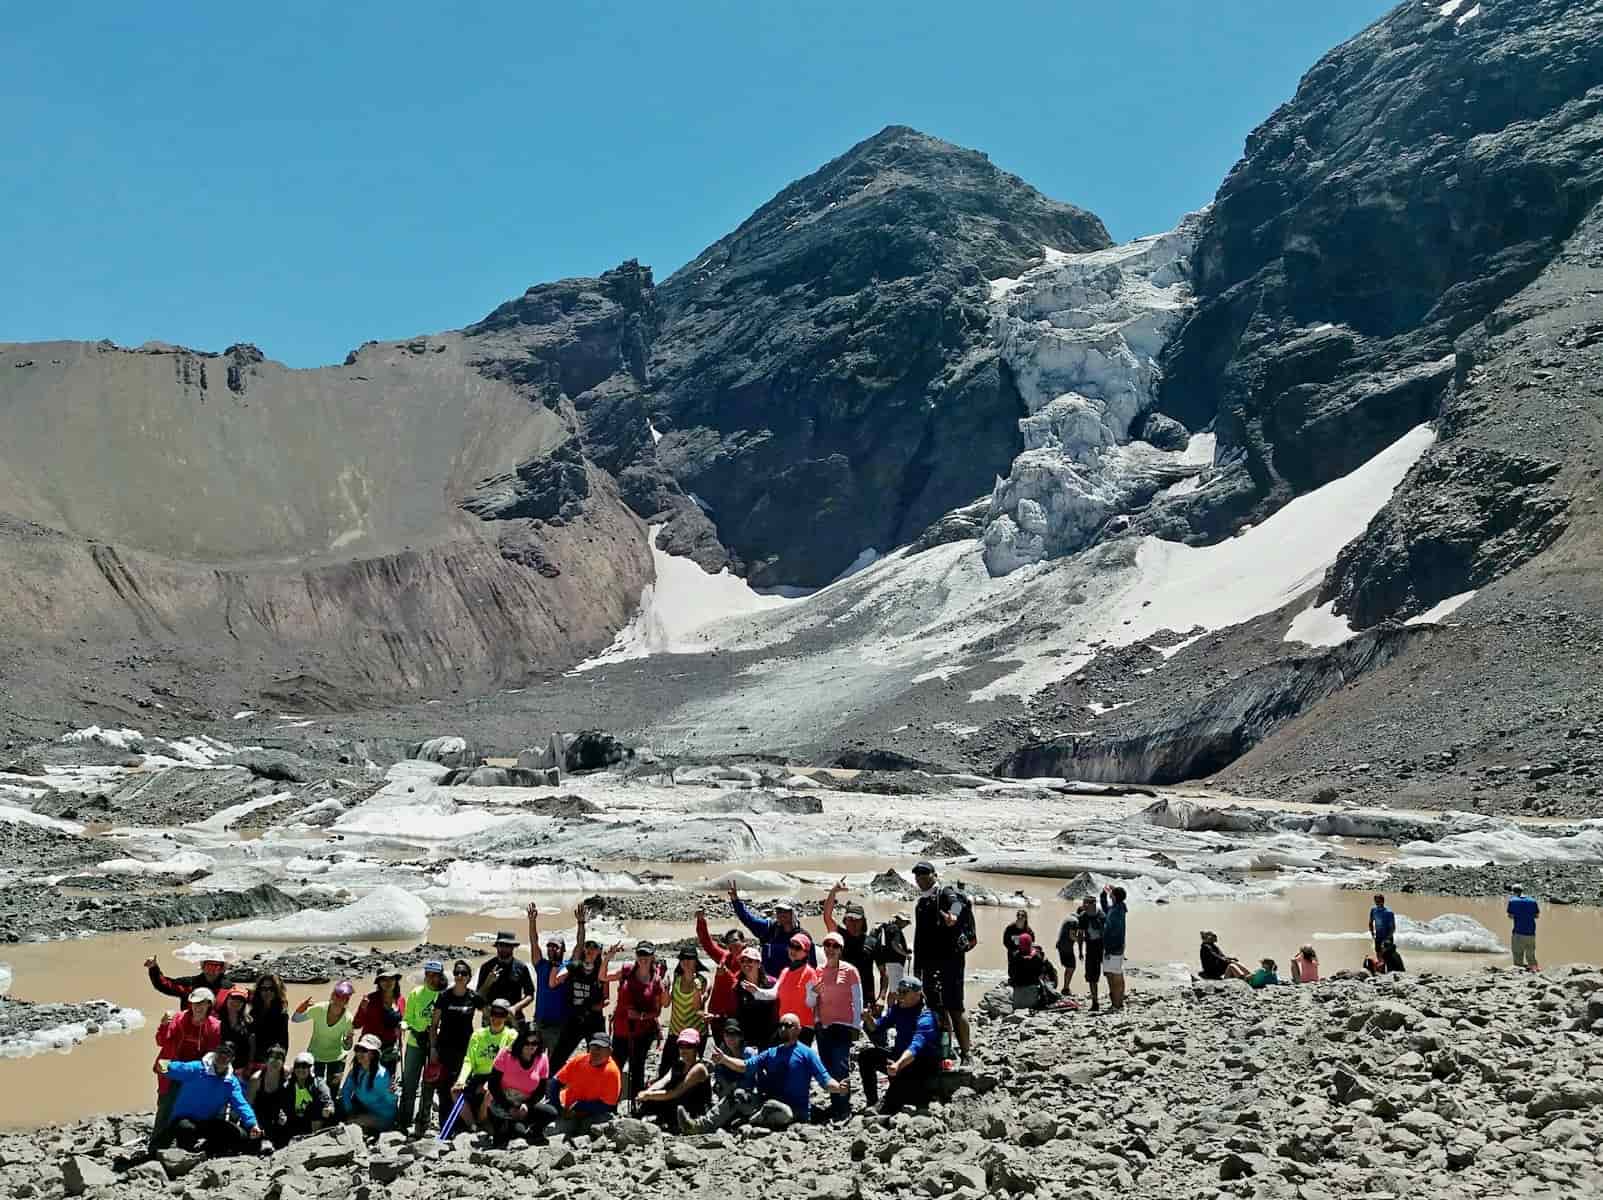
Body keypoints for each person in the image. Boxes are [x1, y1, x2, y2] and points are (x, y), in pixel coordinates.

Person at [682, 1012, 845, 1132]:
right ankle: (699, 1126)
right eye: (780, 1025)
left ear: (798, 1029)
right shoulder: (771, 1052)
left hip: (794, 1111)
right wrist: (724, 1059)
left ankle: (751, 1120)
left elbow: (825, 1080)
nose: (783, 1028)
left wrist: (839, 1088)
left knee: (779, 1110)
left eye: (787, 1025)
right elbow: (746, 1065)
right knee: (738, 1094)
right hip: (765, 1103)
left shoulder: (807, 1053)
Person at [150, 1044, 263, 1157]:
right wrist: (162, 1065)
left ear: (232, 1059)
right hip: (183, 1120)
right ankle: (186, 1155)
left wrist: (252, 1123)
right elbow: (175, 1067)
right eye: (220, 1054)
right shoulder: (196, 1069)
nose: (222, 1058)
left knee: (240, 1135)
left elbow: (241, 1104)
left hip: (207, 1122)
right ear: (214, 1054)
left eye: (227, 1055)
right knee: (186, 1128)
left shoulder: (231, 1082)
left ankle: (206, 1150)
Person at [911, 861, 972, 1063]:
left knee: (956, 1008)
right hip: (929, 965)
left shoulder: (944, 893)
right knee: (937, 1010)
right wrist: (917, 968)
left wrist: (953, 915)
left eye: (924, 875)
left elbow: (957, 903)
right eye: (917, 876)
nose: (920, 879)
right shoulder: (921, 904)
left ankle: (966, 1053)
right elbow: (919, 938)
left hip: (951, 962)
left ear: (934, 875)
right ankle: (947, 1049)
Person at [859, 975, 942, 1115]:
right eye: (899, 991)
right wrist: (868, 1018)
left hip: (920, 1064)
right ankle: (872, 1100)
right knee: (866, 1056)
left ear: (917, 995)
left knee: (904, 1072)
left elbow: (915, 1047)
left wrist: (898, 1065)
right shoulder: (899, 1009)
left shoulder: (926, 1017)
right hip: (900, 1057)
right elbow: (877, 1027)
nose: (899, 995)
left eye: (904, 992)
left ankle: (888, 1103)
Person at [606, 941, 668, 1104]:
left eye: (647, 955)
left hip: (642, 1032)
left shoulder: (656, 980)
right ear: (636, 955)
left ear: (652, 956)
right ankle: (611, 1099)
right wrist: (607, 958)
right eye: (640, 954)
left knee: (637, 1067)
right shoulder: (626, 971)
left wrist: (640, 1016)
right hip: (620, 1029)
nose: (643, 958)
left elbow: (658, 1011)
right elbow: (602, 976)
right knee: (616, 1065)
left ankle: (636, 1102)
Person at [811, 930, 863, 1121]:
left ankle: (843, 1107)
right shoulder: (818, 971)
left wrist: (857, 1026)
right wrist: (816, 1021)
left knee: (840, 1066)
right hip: (823, 1026)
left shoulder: (850, 971)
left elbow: (858, 999)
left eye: (835, 946)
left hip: (843, 1025)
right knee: (827, 1066)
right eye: (827, 945)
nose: (830, 949)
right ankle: (836, 1105)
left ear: (841, 949)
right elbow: (814, 999)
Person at [428, 960, 483, 1134]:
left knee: (462, 1087)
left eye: (463, 973)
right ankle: (446, 1126)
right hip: (444, 1049)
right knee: (444, 1089)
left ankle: (460, 1123)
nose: (459, 976)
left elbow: (492, 1017)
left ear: (469, 977)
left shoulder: (474, 997)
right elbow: (434, 1024)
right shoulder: (444, 996)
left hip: (466, 1052)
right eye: (457, 973)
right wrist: (433, 1049)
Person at [453, 997, 520, 1128]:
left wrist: (492, 1081)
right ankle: (472, 1125)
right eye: (494, 1013)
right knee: (455, 1091)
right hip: (479, 1076)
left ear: (507, 1017)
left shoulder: (511, 1035)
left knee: (489, 1090)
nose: (496, 1018)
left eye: (501, 1014)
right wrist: (461, 1080)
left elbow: (511, 1063)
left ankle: (482, 1119)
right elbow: (469, 1060)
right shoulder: (478, 1035)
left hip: (499, 1076)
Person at [550, 938, 616, 1070]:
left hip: (594, 1021)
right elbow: (553, 983)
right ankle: (550, 1086)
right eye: (588, 947)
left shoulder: (601, 971)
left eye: (594, 948)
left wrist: (598, 1006)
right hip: (574, 1019)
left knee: (598, 1058)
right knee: (558, 1057)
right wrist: (556, 964)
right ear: (584, 949)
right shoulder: (574, 966)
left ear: (599, 952)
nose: (590, 950)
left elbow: (606, 998)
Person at [398, 960, 446, 1137]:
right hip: (414, 1043)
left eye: (435, 975)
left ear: (441, 976)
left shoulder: (444, 996)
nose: (431, 978)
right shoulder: (416, 993)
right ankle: (404, 1122)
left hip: (434, 1047)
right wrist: (403, 1025)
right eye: (428, 974)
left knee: (429, 1085)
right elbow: (408, 1017)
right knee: (409, 1084)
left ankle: (423, 1122)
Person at [530, 901, 585, 1052]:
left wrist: (581, 923)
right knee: (536, 1058)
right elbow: (534, 942)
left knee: (554, 1060)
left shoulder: (568, 966)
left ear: (563, 949)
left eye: (556, 946)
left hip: (558, 1023)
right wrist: (532, 921)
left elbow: (580, 947)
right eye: (549, 946)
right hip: (540, 1021)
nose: (551, 949)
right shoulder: (541, 965)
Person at [727, 883, 816, 976]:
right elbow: (748, 920)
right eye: (779, 911)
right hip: (767, 983)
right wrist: (736, 901)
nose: (781, 914)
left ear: (793, 913)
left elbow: (812, 965)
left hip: (791, 983)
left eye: (785, 911)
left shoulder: (803, 937)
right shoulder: (769, 929)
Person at [486, 1026, 556, 1145]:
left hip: (525, 1104)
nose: (530, 1046)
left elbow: (541, 1090)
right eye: (526, 1042)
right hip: (502, 1102)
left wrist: (527, 1105)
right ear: (520, 1042)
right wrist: (509, 1107)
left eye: (534, 1043)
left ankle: (534, 1131)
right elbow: (493, 1085)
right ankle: (514, 1130)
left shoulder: (542, 1059)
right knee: (512, 1136)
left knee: (551, 1113)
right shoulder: (505, 1054)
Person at [822, 881, 879, 1014]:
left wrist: (881, 998)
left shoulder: (872, 941)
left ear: (863, 921)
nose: (853, 923)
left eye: (857, 919)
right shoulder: (839, 936)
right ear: (845, 920)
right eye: (850, 919)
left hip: (865, 995)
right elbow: (827, 916)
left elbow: (883, 973)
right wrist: (834, 892)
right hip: (840, 992)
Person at [636, 1029, 712, 1128]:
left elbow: (676, 1092)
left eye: (689, 1046)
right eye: (681, 1046)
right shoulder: (679, 1064)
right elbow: (663, 1081)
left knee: (656, 1096)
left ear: (696, 1048)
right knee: (651, 1092)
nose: (684, 1050)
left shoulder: (699, 1068)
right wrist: (647, 1092)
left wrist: (648, 1095)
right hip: (678, 1103)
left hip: (693, 1110)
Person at [552, 1032, 622, 1137]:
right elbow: (555, 1083)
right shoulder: (579, 1060)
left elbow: (608, 1104)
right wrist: (558, 1106)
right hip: (566, 1107)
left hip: (591, 1112)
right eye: (593, 1047)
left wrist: (579, 1107)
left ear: (609, 1051)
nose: (595, 1052)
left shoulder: (612, 1072)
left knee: (590, 1129)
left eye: (600, 1048)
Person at [153, 986, 221, 1095]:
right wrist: (164, 1025)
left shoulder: (215, 1026)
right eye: (195, 1003)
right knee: (165, 1108)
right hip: (170, 1068)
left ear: (209, 1004)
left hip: (196, 1072)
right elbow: (160, 1042)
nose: (197, 1007)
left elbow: (212, 1054)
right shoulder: (178, 1018)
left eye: (201, 1003)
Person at [291, 981, 355, 1094]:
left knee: (333, 1088)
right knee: (313, 1087)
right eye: (336, 995)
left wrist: (348, 1041)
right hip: (316, 1054)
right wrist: (302, 1006)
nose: (338, 999)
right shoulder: (319, 1009)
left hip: (336, 1056)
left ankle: (331, 1108)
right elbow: (295, 1019)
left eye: (343, 998)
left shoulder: (348, 1019)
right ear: (332, 995)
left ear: (347, 1000)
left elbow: (347, 1047)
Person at [695, 908, 748, 1040]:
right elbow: (707, 944)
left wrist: (725, 974)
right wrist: (701, 921)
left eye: (735, 940)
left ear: (744, 943)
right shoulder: (725, 956)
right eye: (729, 941)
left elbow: (737, 985)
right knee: (719, 1049)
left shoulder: (750, 961)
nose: (732, 944)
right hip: (715, 1014)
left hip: (734, 1017)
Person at [660, 944, 709, 1077]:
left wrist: (697, 989)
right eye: (683, 959)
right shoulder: (676, 978)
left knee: (690, 1073)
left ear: (696, 961)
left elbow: (696, 1007)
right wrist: (664, 988)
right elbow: (665, 1004)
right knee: (665, 1070)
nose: (686, 962)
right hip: (675, 1032)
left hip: (695, 1034)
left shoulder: (702, 981)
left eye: (689, 959)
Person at [341, 1034, 397, 1135]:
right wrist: (349, 1110)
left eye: (364, 1050)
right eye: (358, 1049)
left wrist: (392, 1094)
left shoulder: (381, 1076)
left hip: (382, 1117)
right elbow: (346, 1091)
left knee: (349, 1125)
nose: (359, 1053)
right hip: (365, 1110)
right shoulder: (356, 1071)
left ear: (373, 1054)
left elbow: (390, 1103)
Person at [353, 968, 404, 1073]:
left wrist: (400, 1041)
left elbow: (400, 1023)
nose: (388, 982)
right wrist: (362, 1009)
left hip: (391, 1048)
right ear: (379, 982)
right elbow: (356, 1024)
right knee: (365, 1079)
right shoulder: (370, 999)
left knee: (388, 1080)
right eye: (384, 979)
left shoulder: (400, 1000)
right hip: (369, 1048)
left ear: (396, 980)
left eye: (391, 979)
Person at [477, 929, 537, 1017]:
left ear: (513, 947)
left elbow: (530, 995)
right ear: (496, 946)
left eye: (507, 945)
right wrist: (488, 982)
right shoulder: (486, 967)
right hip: (491, 1018)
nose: (503, 948)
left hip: (514, 1016)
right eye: (501, 945)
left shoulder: (521, 967)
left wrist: (515, 1008)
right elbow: (478, 997)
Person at [281, 1052, 336, 1142]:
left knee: (314, 1108)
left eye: (304, 1066)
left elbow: (328, 1103)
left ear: (311, 1068)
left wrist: (328, 1109)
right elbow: (282, 1105)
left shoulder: (318, 1084)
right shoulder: (288, 1086)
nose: (300, 1069)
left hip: (314, 1122)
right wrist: (282, 1114)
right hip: (295, 1121)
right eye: (297, 1066)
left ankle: (314, 1139)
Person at [732, 946, 780, 1050]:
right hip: (748, 1039)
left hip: (771, 1037)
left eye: (750, 961)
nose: (746, 964)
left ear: (758, 963)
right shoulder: (737, 987)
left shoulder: (772, 983)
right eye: (742, 961)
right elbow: (737, 1013)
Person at [145, 954, 228, 1009]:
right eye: (209, 965)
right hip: (189, 1031)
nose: (212, 970)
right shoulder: (189, 984)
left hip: (216, 1033)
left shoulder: (228, 988)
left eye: (216, 966)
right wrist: (153, 968)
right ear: (203, 966)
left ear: (222, 968)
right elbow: (164, 985)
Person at [245, 974, 289, 1073]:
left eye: (271, 989)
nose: (267, 992)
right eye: (264, 989)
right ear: (259, 991)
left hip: (272, 1059)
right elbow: (250, 1037)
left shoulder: (282, 1014)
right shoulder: (254, 1011)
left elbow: (283, 1041)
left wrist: (279, 1061)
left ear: (277, 990)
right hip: (253, 1059)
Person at [1007, 932, 1060, 1010]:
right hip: (1033, 1000)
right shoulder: (1037, 957)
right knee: (1049, 974)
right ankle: (1053, 992)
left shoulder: (1015, 957)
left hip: (1017, 1001)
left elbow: (1010, 974)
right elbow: (1048, 971)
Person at [1099, 885, 1129, 1011]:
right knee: (1114, 974)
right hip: (1115, 947)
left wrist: (1108, 949)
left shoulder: (1117, 911)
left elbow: (1113, 931)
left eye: (1112, 894)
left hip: (1113, 948)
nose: (1110, 895)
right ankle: (1117, 1002)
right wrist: (1103, 895)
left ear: (1115, 896)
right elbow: (1106, 909)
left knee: (1114, 976)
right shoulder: (1117, 907)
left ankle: (1117, 1004)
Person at [872, 912, 912, 997]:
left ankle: (890, 1008)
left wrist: (905, 949)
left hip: (890, 963)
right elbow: (894, 944)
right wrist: (906, 954)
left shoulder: (890, 928)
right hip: (895, 964)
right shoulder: (896, 929)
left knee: (893, 989)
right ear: (901, 920)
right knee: (895, 990)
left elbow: (890, 945)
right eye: (906, 922)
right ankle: (892, 1009)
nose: (907, 925)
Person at [1078, 895, 1106, 1012]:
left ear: (1093, 904)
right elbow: (1081, 934)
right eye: (1084, 903)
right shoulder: (1083, 916)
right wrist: (1080, 951)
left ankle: (1114, 998)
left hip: (1102, 947)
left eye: (1086, 903)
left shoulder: (1101, 915)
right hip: (1090, 948)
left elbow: (1107, 932)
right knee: (1091, 976)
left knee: (1108, 974)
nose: (1084, 905)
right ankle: (1095, 1002)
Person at [216, 987, 254, 1064]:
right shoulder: (216, 1019)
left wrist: (250, 1064)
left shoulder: (248, 1022)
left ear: (243, 1004)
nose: (236, 1002)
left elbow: (252, 1046)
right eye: (233, 998)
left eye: (240, 1000)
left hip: (241, 1065)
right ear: (227, 999)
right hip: (219, 1063)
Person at [1508, 886, 1541, 971]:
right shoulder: (1532, 901)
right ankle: (1535, 971)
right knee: (1531, 955)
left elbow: (1510, 916)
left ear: (1513, 892)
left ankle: (1519, 973)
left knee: (1518, 956)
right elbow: (1536, 916)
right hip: (1531, 933)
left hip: (1518, 932)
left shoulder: (1512, 901)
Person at [1055, 909, 1080, 992]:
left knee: (1069, 967)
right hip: (1066, 947)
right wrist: (1082, 939)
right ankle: (1065, 988)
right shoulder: (1075, 921)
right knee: (1071, 967)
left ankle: (1065, 987)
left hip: (1061, 946)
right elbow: (1072, 936)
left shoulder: (1069, 918)